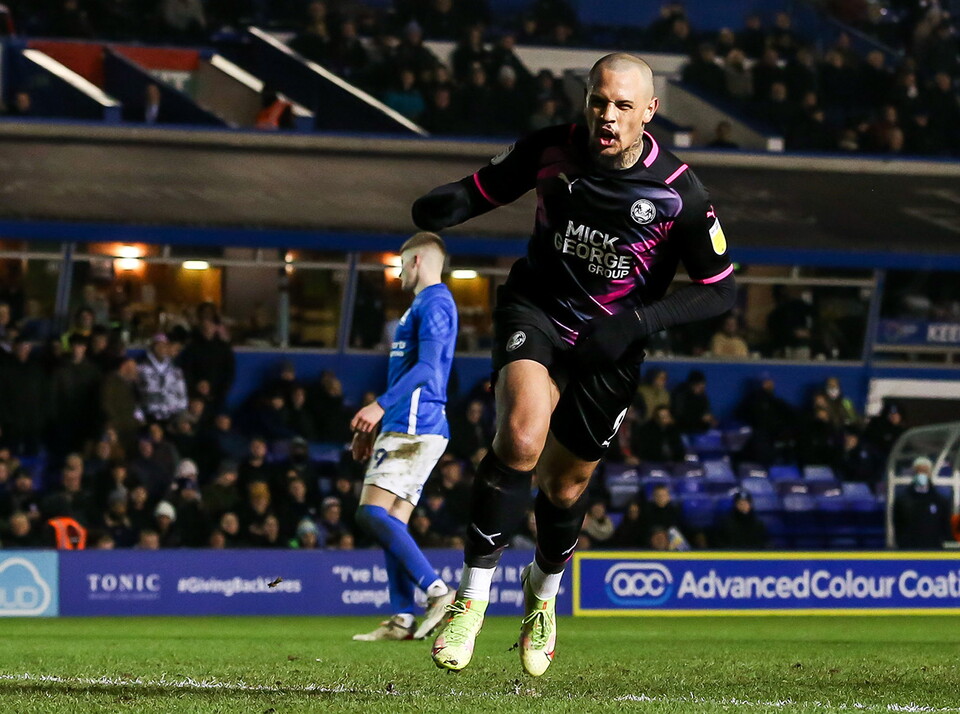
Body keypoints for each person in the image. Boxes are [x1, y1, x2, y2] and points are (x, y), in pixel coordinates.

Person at [411, 52, 735, 675]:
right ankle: (472, 602)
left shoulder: (678, 192)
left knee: (564, 486)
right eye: (597, 101)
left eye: (621, 106)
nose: (606, 116)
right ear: (585, 100)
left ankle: (542, 596)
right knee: (520, 438)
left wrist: (637, 324)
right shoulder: (549, 151)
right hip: (536, 310)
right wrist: (428, 217)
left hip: (611, 344)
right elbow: (475, 193)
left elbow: (720, 289)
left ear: (649, 111)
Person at [349, 232, 459, 642]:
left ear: (416, 261)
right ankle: (401, 617)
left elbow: (429, 368)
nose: (396, 274)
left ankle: (437, 591)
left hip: (415, 425)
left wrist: (380, 405)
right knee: (391, 522)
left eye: (399, 264)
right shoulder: (424, 304)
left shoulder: (434, 302)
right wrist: (380, 419)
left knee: (369, 514)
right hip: (409, 423)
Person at [893, 457, 952, 549]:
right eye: (918, 471)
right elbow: (898, 526)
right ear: (914, 473)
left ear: (930, 473)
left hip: (933, 550)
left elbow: (945, 527)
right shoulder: (902, 500)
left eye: (925, 472)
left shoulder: (940, 501)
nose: (922, 475)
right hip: (909, 550)